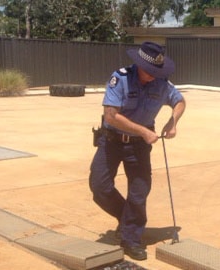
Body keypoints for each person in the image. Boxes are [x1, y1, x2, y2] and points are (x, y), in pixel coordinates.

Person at [89, 41, 185, 261]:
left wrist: (173, 121)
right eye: (149, 71)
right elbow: (111, 115)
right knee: (99, 186)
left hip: (139, 147)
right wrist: (143, 130)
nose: (153, 75)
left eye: (156, 71)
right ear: (139, 64)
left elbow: (179, 101)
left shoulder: (161, 83)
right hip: (111, 141)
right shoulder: (119, 78)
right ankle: (128, 221)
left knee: (139, 191)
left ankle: (131, 238)